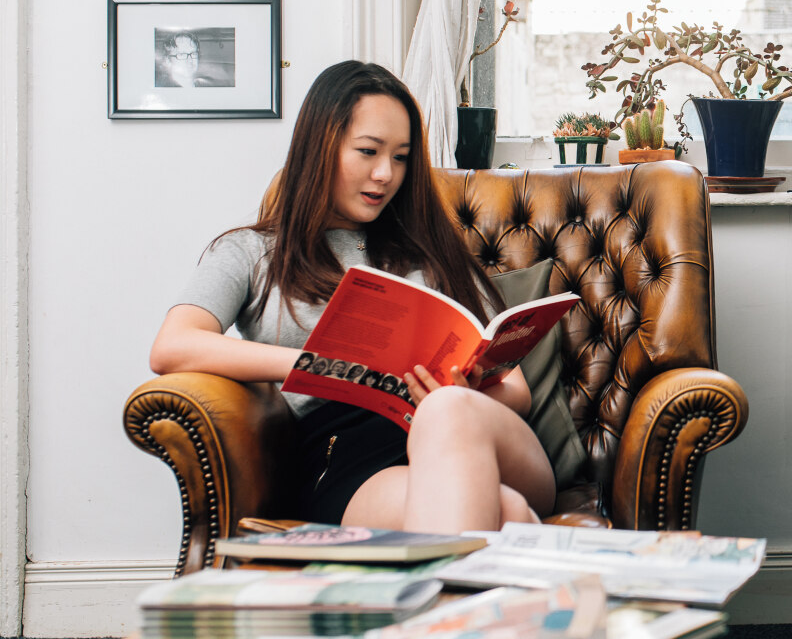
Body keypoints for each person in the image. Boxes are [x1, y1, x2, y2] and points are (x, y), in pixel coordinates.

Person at [149, 61, 556, 535]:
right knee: (505, 514)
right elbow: (172, 347)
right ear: (319, 146)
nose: (385, 174)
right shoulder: (251, 251)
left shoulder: (433, 249)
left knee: (448, 411)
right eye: (368, 151)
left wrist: (461, 395)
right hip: (352, 461)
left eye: (401, 157)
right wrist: (312, 363)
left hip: (482, 435)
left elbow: (518, 392)